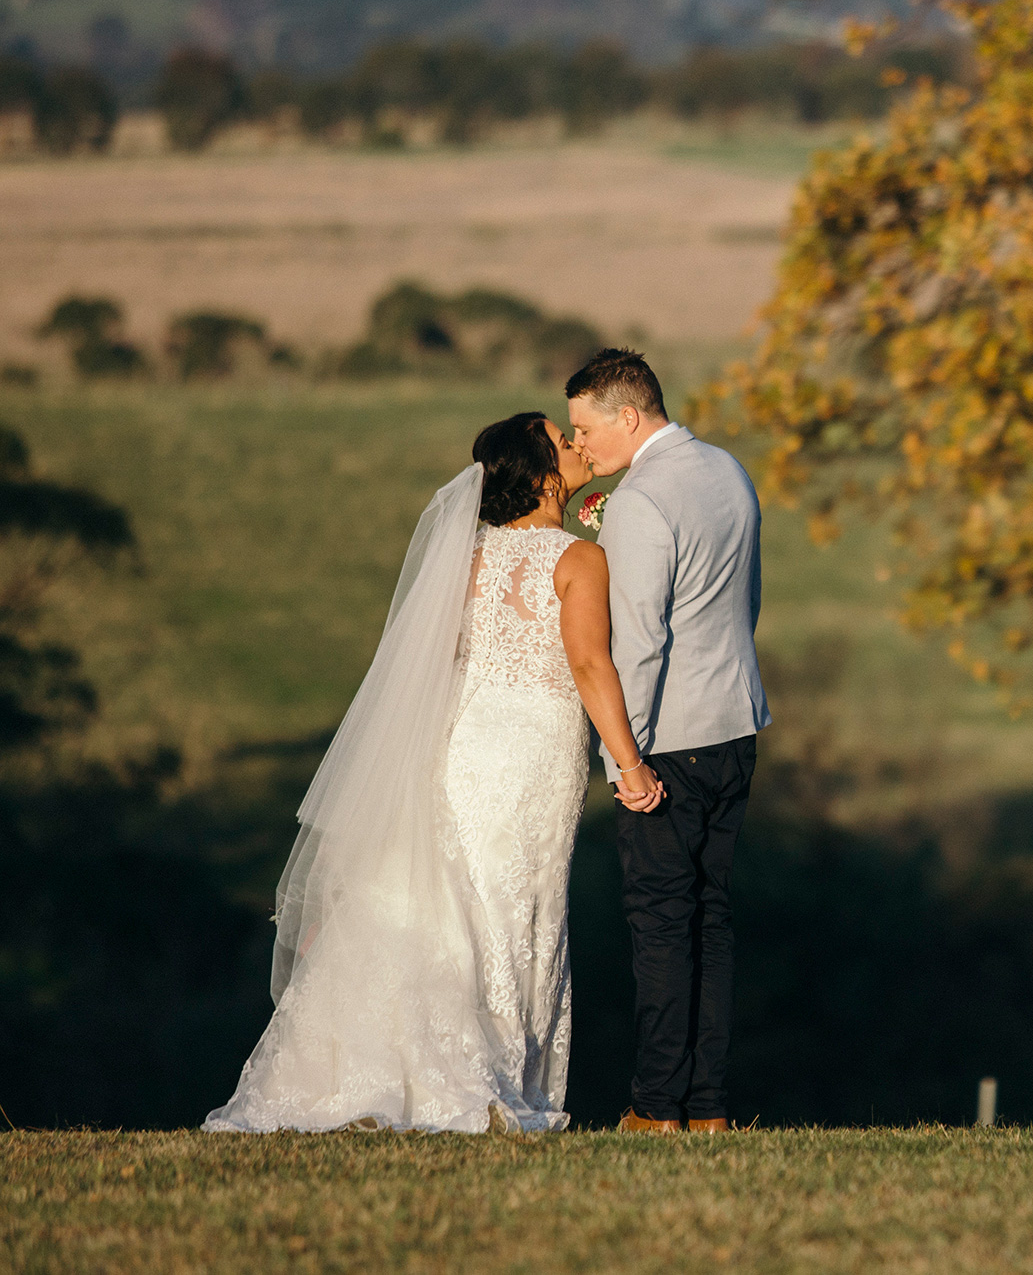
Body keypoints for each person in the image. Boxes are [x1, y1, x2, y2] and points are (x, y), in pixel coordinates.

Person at [204, 413, 662, 1133]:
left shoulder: (467, 556)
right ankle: (499, 1075)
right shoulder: (578, 559)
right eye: (563, 439)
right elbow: (587, 663)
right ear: (543, 475)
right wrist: (629, 766)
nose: (577, 447)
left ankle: (418, 1065)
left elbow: (434, 664)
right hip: (530, 756)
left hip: (464, 746)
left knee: (455, 900)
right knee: (518, 903)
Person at [565, 348, 769, 1134]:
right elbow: (744, 597)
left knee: (659, 927)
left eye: (586, 430)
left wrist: (627, 759)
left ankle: (656, 1106)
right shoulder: (727, 469)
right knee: (709, 922)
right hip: (735, 723)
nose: (582, 448)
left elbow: (638, 643)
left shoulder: (642, 500)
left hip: (668, 743)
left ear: (628, 414)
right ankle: (709, 1107)